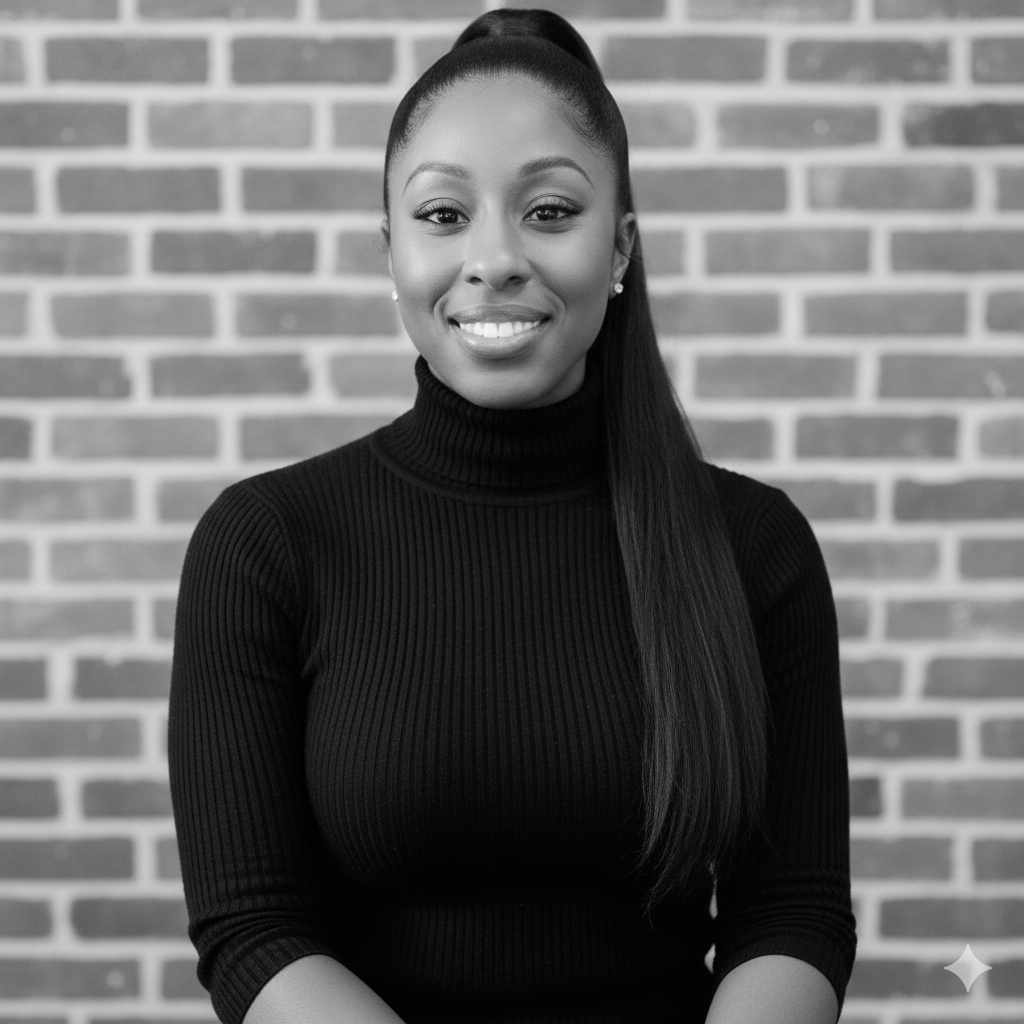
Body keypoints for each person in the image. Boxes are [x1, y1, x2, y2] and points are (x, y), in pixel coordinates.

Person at [168, 9, 857, 1024]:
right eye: (444, 216)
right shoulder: (266, 545)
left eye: (548, 211)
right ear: (389, 250)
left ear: (619, 250)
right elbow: (253, 928)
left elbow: (792, 913)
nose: (493, 257)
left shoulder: (752, 546)